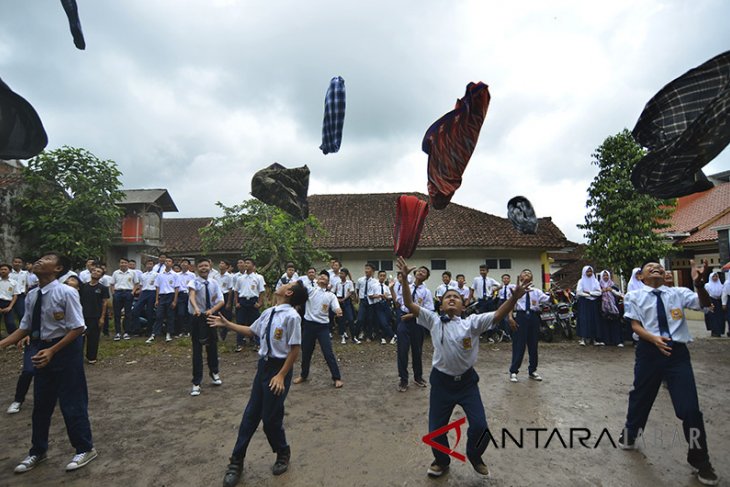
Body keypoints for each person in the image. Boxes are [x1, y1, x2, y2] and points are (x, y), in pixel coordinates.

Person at [396, 256, 528, 478]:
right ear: (441, 303)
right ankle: (441, 460)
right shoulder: (433, 320)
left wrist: (513, 298)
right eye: (447, 296)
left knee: (480, 426)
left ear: (463, 304)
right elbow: (409, 304)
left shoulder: (472, 324)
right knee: (436, 430)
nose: (451, 299)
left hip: (467, 383)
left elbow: (497, 315)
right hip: (441, 383)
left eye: (456, 297)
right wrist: (406, 282)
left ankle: (475, 456)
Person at [619, 260, 718, 486]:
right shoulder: (634, 296)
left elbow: (703, 305)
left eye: (659, 267)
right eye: (650, 267)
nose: (656, 268)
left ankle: (700, 460)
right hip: (649, 352)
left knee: (690, 408)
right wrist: (653, 338)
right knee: (641, 397)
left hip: (677, 354)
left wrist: (700, 285)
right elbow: (635, 325)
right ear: (641, 277)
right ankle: (631, 431)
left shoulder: (678, 293)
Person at [0, 252, 97, 473]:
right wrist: (3, 344)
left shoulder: (67, 292)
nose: (40, 261)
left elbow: (78, 328)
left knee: (72, 402)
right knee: (41, 405)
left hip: (65, 350)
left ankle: (85, 448)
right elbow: (24, 327)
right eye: (40, 258)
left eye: (47, 259)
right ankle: (38, 451)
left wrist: (52, 350)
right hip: (42, 350)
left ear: (58, 268)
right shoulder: (33, 295)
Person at [208, 280, 309, 487]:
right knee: (250, 416)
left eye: (286, 283)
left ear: (288, 292)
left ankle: (282, 451)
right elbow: (252, 331)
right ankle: (236, 461)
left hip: (278, 369)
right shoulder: (269, 312)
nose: (282, 283)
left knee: (270, 419)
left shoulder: (292, 317)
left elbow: (295, 349)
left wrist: (281, 375)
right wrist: (228, 325)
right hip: (263, 368)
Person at [294, 271, 344, 387]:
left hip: (323, 328)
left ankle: (336, 378)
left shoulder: (330, 295)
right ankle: (303, 375)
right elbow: (299, 288)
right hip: (309, 326)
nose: (322, 277)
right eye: (320, 276)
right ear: (317, 279)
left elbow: (336, 306)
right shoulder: (310, 290)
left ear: (328, 282)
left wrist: (338, 311)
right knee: (306, 352)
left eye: (325, 277)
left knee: (328, 353)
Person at [188, 259, 225, 396]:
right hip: (197, 318)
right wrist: (197, 308)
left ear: (210, 267)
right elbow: (192, 296)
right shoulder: (194, 282)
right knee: (197, 350)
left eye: (206, 266)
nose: (203, 268)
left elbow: (221, 300)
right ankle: (196, 382)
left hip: (210, 317)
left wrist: (212, 310)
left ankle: (214, 372)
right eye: (201, 266)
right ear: (197, 268)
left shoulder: (214, 283)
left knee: (212, 346)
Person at [396, 264, 433, 392]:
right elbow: (400, 301)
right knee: (402, 350)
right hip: (403, 320)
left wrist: (412, 314)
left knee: (417, 351)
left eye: (424, 272)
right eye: (420, 270)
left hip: (417, 322)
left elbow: (429, 310)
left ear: (427, 277)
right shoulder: (405, 286)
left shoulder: (426, 292)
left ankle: (418, 377)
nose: (421, 272)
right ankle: (403, 379)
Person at [508, 269, 551, 383]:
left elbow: (547, 300)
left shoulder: (536, 291)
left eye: (529, 273)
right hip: (521, 317)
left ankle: (532, 371)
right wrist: (510, 317)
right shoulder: (515, 289)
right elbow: (510, 305)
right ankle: (513, 371)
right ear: (520, 276)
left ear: (532, 278)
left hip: (533, 318)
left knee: (533, 345)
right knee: (519, 345)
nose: (527, 274)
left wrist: (552, 294)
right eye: (524, 272)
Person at [233, 258, 266, 352]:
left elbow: (261, 291)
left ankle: (257, 343)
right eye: (245, 263)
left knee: (255, 322)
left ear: (253, 265)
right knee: (240, 322)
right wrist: (236, 302)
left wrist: (259, 303)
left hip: (253, 301)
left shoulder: (258, 277)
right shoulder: (240, 278)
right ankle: (240, 343)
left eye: (248, 263)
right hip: (242, 301)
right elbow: (236, 291)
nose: (246, 265)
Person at [78, 266, 109, 364]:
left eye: (98, 271)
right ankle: (78, 357)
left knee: (93, 338)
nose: (95, 272)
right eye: (94, 271)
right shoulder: (83, 286)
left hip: (96, 316)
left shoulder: (103, 288)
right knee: (80, 338)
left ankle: (91, 357)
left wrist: (102, 317)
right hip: (82, 316)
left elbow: (104, 303)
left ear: (101, 276)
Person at [147, 257, 178, 343]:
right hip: (162, 296)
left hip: (171, 296)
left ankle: (168, 334)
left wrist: (175, 301)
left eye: (169, 261)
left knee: (170, 316)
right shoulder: (160, 275)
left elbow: (176, 289)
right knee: (159, 316)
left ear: (172, 263)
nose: (167, 262)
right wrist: (157, 299)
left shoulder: (175, 275)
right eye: (166, 261)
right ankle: (154, 333)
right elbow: (157, 287)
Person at [110, 258, 139, 341]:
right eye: (122, 262)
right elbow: (112, 284)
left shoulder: (132, 272)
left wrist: (132, 292)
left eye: (125, 263)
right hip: (118, 293)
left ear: (128, 264)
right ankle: (118, 332)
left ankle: (127, 332)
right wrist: (113, 294)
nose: (123, 264)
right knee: (117, 314)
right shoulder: (115, 273)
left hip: (128, 293)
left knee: (128, 313)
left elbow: (136, 283)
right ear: (119, 264)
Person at [576, 265, 604, 346]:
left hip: (593, 303)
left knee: (593, 320)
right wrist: (590, 295)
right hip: (584, 303)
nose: (589, 273)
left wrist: (589, 293)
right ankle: (583, 339)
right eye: (587, 271)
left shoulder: (595, 281)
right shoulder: (581, 281)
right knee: (584, 320)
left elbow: (599, 292)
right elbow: (579, 292)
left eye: (591, 271)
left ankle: (594, 339)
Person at [131, 259, 158, 336]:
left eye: (151, 264)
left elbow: (157, 286)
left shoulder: (156, 274)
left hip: (152, 292)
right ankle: (137, 329)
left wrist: (156, 297)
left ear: (153, 265)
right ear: (145, 265)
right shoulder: (142, 275)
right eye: (148, 264)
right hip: (144, 293)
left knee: (149, 312)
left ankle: (149, 330)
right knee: (135, 310)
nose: (149, 265)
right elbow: (141, 286)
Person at [368, 270, 396, 344]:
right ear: (378, 276)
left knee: (387, 322)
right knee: (383, 322)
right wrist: (379, 295)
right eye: (381, 275)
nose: (382, 277)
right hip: (378, 305)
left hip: (386, 305)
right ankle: (393, 336)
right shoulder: (373, 285)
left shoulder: (386, 287)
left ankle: (383, 337)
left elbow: (390, 297)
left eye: (384, 276)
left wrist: (386, 297)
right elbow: (370, 295)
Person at [333, 267, 359, 344]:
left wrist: (344, 299)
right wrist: (337, 299)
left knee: (351, 319)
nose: (341, 275)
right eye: (340, 273)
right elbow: (334, 291)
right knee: (341, 319)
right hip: (339, 300)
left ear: (346, 275)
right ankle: (343, 336)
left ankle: (353, 337)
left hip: (347, 301)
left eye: (342, 273)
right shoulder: (337, 283)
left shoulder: (349, 283)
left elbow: (351, 292)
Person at [599, 270, 624, 347]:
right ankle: (605, 340)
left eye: (607, 275)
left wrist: (611, 290)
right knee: (604, 324)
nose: (605, 277)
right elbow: (596, 294)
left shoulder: (613, 285)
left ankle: (617, 341)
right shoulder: (598, 285)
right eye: (604, 275)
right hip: (603, 308)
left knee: (615, 324)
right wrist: (602, 291)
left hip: (614, 308)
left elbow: (620, 294)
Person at [355, 263, 376, 341]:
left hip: (371, 301)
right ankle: (360, 332)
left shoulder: (375, 281)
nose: (366, 270)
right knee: (360, 318)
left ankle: (369, 335)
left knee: (370, 318)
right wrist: (357, 297)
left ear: (373, 271)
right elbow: (357, 289)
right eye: (365, 268)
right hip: (363, 301)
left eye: (368, 269)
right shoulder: (360, 280)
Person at [175, 259, 196, 337]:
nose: (184, 264)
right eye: (182, 263)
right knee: (180, 313)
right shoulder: (177, 275)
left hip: (189, 294)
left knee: (189, 313)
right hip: (180, 295)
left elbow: (194, 286)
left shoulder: (192, 275)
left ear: (189, 265)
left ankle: (189, 331)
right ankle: (181, 330)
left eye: (186, 263)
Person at [0, 263, 20, 336]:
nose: (3, 271)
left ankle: (14, 340)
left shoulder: (14, 282)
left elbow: (15, 295)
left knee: (10, 323)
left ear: (10, 271)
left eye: (5, 269)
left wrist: (10, 307)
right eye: (1, 269)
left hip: (8, 303)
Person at [704, 272, 724, 337]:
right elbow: (706, 294)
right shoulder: (707, 285)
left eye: (716, 276)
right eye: (713, 276)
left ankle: (719, 331)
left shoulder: (721, 285)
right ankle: (714, 331)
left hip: (719, 302)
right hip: (711, 301)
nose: (715, 278)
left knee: (720, 317)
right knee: (712, 317)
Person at [10, 257, 29, 323]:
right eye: (15, 262)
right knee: (10, 314)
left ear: (22, 264)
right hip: (10, 295)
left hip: (20, 295)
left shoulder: (25, 273)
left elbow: (27, 284)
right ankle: (12, 331)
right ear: (12, 263)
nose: (17, 264)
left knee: (21, 314)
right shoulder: (9, 273)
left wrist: (26, 292)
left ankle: (22, 330)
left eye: (19, 262)